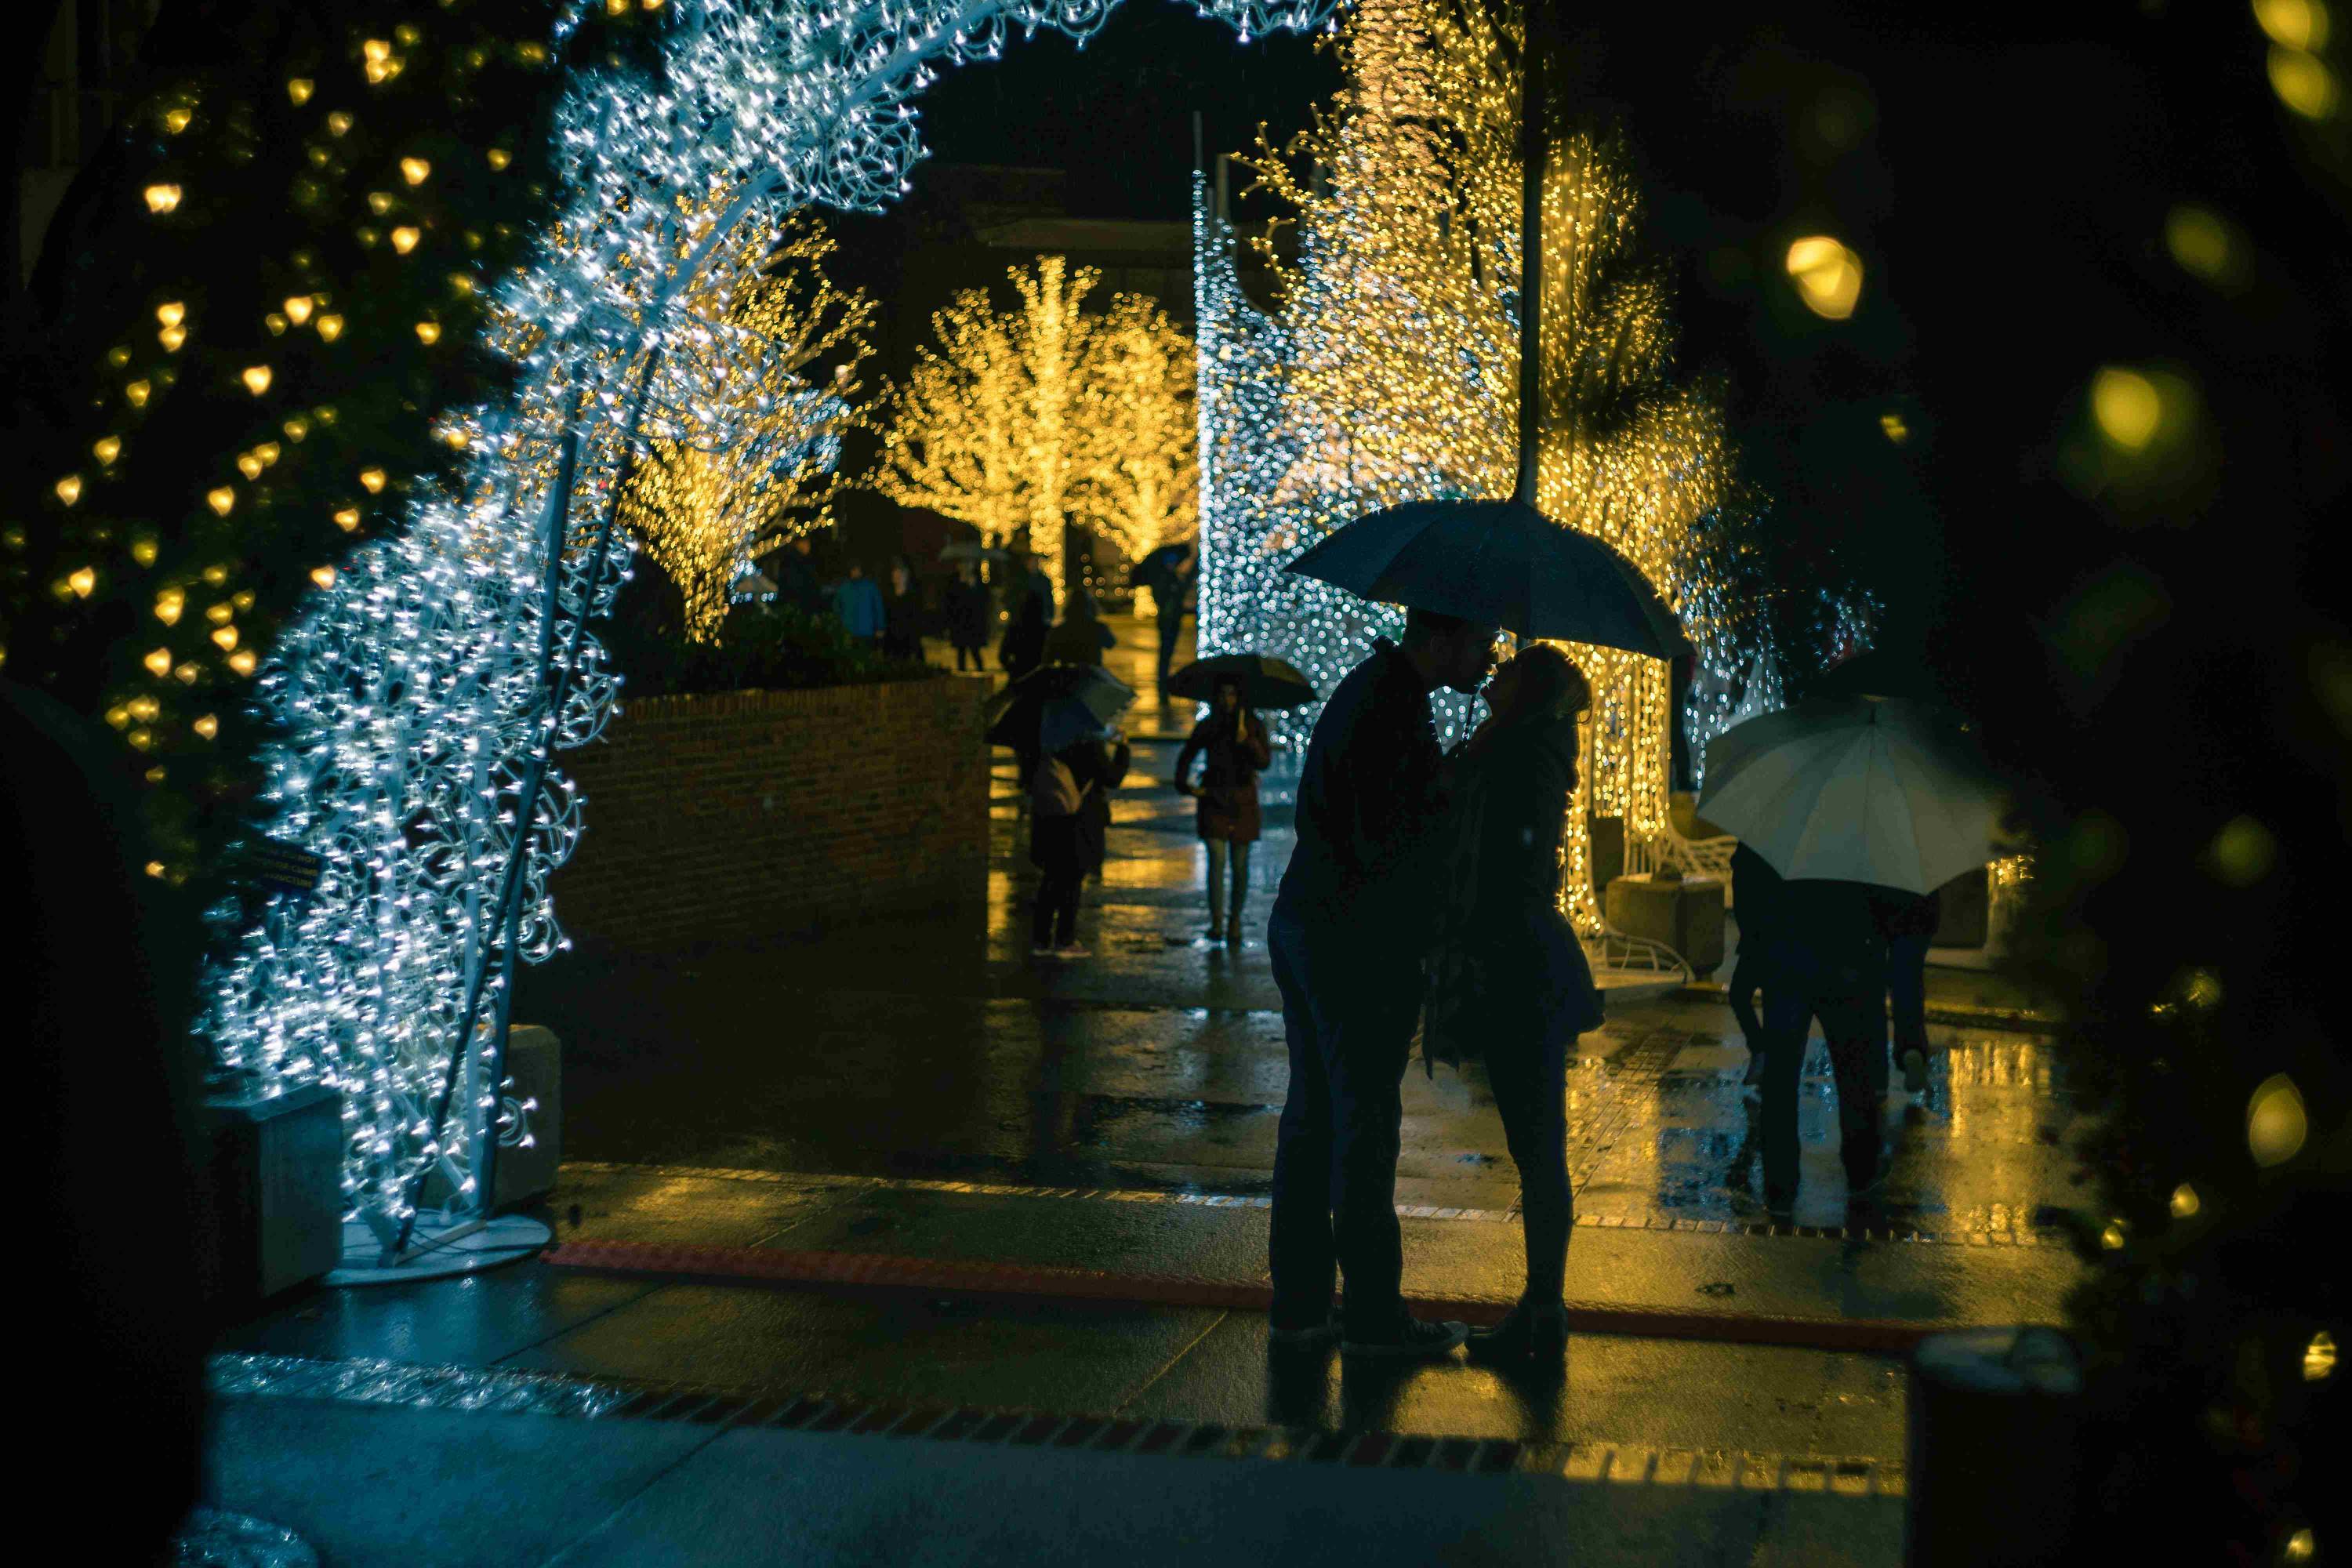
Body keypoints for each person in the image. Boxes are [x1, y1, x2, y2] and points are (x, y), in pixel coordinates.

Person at [1266, 608, 1499, 1358]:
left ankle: (1301, 1305)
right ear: (1442, 636)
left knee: (1314, 1121)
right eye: (1480, 639)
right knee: (1363, 1128)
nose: (1489, 655)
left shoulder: (1373, 691)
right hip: (1353, 941)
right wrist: (1460, 773)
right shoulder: (1396, 707)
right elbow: (1399, 835)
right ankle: (1372, 1317)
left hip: (1310, 921)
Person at [1423, 645, 1602, 1364]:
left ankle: (1543, 1307)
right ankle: (1542, 1308)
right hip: (1517, 959)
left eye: (1509, 670)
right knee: (1535, 1147)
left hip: (1518, 965)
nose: (1492, 671)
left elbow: (1501, 860)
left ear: (1528, 691)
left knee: (1537, 1148)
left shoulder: (1520, 759)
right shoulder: (1521, 750)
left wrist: (1466, 770)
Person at [1755, 878, 1915, 1220]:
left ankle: (1779, 1182)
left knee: (1780, 1077)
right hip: (1849, 955)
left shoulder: (1790, 834)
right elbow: (1889, 905)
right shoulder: (1864, 838)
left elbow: (1757, 887)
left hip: (1788, 956)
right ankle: (1861, 1169)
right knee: (1855, 1072)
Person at [1172, 673, 1272, 945]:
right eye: (1222, 694)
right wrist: (1186, 786)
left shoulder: (1252, 725)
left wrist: (1248, 741)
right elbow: (1188, 754)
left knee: (1240, 866)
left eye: (1231, 694)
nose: (1226, 699)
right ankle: (1217, 922)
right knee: (1216, 863)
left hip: (1242, 801)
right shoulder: (1209, 725)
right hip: (1214, 798)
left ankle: (1235, 920)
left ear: (1240, 697)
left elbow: (1264, 762)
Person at [1029, 716, 1127, 956]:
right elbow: (1113, 777)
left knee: (1051, 878)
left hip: (1052, 817)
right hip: (1080, 820)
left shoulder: (1047, 742)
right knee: (1072, 880)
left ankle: (1040, 940)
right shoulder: (1088, 746)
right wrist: (1123, 748)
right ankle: (1065, 939)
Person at [1728, 843, 1787, 1096]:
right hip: (1775, 940)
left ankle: (1763, 1054)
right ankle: (1769, 1063)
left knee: (1739, 995)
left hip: (1757, 941)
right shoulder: (1776, 856)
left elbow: (1744, 904)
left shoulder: (1747, 859)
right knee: (1771, 1003)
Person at [1886, 888, 1941, 1094]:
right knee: (1907, 980)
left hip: (1879, 905)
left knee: (1870, 990)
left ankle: (1873, 1078)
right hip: (1920, 908)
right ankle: (1911, 1047)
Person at [1152, 546, 1197, 701]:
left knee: (1166, 652)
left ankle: (1163, 681)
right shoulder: (1166, 578)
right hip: (1168, 621)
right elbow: (1171, 596)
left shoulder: (1170, 577)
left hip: (1170, 620)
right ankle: (1162, 682)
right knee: (1166, 652)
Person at [998, 550, 1049, 682]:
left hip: (1037, 621)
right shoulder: (1019, 580)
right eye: (1033, 561)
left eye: (1037, 561)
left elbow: (1048, 600)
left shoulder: (1043, 580)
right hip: (1021, 619)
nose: (1036, 564)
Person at [1043, 586, 1117, 669]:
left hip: (1068, 676)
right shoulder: (1098, 628)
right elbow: (1111, 644)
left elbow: (1048, 659)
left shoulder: (1059, 631)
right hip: (1093, 675)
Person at [944, 562, 992, 673]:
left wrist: (972, 586)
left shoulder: (978, 580)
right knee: (961, 654)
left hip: (973, 624)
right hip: (960, 623)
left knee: (975, 652)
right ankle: (962, 677)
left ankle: (981, 675)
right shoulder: (954, 581)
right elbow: (950, 602)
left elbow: (983, 600)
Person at [831, 558, 885, 649]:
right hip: (849, 633)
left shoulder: (870, 587)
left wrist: (880, 627)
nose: (855, 572)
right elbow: (836, 608)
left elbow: (878, 608)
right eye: (853, 569)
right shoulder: (844, 588)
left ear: (861, 570)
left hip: (866, 633)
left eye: (857, 569)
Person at [882, 554, 924, 662]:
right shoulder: (888, 596)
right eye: (895, 573)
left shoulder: (912, 596)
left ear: (906, 576)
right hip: (892, 641)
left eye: (900, 573)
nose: (897, 576)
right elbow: (887, 618)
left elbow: (916, 620)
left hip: (908, 640)